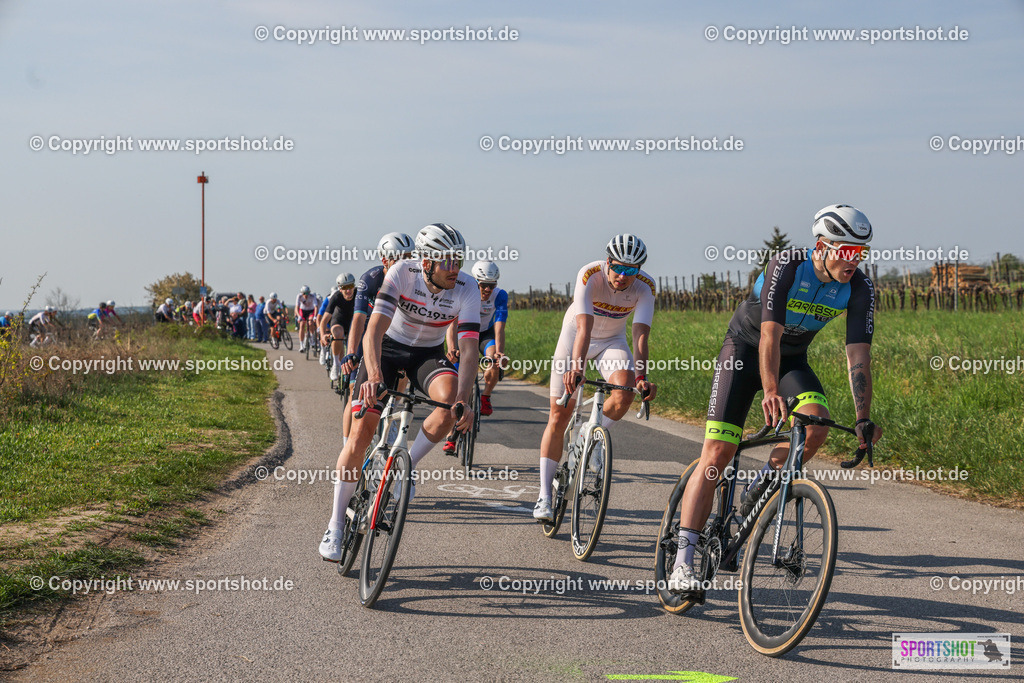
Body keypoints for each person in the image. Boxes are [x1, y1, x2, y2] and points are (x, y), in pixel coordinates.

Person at [667, 204, 883, 593]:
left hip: (791, 360)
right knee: (717, 454)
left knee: (816, 426)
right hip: (745, 350)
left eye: (861, 253)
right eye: (847, 251)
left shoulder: (860, 288)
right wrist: (769, 393)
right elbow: (769, 334)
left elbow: (858, 356)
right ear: (822, 245)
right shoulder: (788, 263)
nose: (855, 261)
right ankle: (683, 561)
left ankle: (762, 487)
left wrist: (863, 417)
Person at [319, 223, 480, 561]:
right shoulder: (401, 274)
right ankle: (334, 525)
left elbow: (468, 350)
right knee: (361, 433)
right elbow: (373, 330)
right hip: (388, 349)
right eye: (447, 262)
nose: (456, 269)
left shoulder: (467, 287)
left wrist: (464, 398)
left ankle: (405, 467)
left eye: (459, 261)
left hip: (427, 353)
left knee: (450, 401)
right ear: (426, 263)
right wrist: (373, 374)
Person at [533, 235, 659, 522]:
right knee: (559, 414)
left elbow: (640, 335)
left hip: (612, 341)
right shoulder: (590, 274)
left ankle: (589, 436)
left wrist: (641, 376)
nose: (623, 276)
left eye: (631, 270)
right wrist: (577, 368)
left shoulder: (646, 287)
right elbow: (583, 327)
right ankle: (544, 495)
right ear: (608, 262)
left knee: (625, 392)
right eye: (618, 267)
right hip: (575, 337)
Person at [442, 260, 508, 453]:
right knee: (455, 387)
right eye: (483, 284)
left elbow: (499, 326)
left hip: (485, 335)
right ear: (475, 281)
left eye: (492, 285)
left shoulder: (500, 296)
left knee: (493, 361)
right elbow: (452, 323)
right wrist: (452, 347)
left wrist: (499, 352)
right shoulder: (462, 290)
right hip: (464, 333)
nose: (487, 289)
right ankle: (451, 435)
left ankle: (485, 396)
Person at [295, 285, 317, 351]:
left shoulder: (312, 296)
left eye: (307, 293)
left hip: (310, 311)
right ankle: (301, 345)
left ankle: (312, 338)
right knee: (301, 325)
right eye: (304, 293)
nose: (306, 295)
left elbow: (315, 307)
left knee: (310, 323)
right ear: (302, 293)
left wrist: (315, 316)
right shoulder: (299, 296)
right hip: (302, 311)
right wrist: (298, 316)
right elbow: (297, 307)